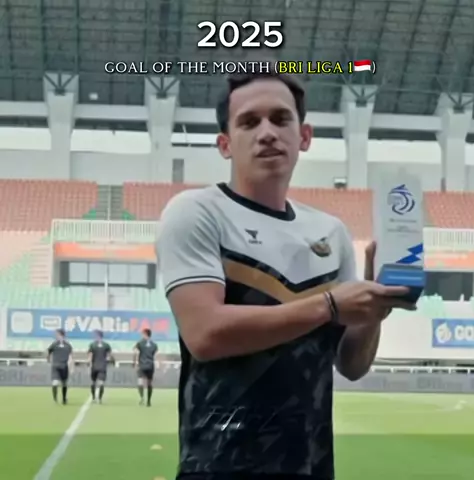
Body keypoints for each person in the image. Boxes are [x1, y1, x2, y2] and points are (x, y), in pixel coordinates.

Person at [156, 70, 417, 480]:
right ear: (225, 144)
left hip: (313, 466)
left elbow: (352, 364)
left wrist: (374, 310)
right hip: (218, 466)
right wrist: (329, 305)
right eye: (249, 122)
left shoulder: (330, 232)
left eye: (280, 119)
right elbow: (204, 334)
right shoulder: (197, 212)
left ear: (304, 136)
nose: (267, 133)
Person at [47, 329, 73, 405]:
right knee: (55, 383)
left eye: (57, 334)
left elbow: (71, 357)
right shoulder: (54, 344)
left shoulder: (68, 345)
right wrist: (48, 359)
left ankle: (64, 398)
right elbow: (48, 352)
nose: (56, 336)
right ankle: (55, 399)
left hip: (64, 366)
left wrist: (71, 366)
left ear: (62, 335)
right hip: (56, 366)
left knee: (64, 383)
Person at [133, 328, 158, 407]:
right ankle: (149, 401)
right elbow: (155, 355)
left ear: (145, 334)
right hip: (150, 366)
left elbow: (135, 352)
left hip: (142, 365)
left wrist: (135, 362)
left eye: (142, 334)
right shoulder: (154, 345)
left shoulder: (140, 343)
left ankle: (142, 397)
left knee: (140, 382)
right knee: (149, 383)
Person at [87, 330, 112, 404]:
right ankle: (94, 397)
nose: (95, 337)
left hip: (102, 367)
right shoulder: (92, 345)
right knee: (93, 383)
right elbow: (90, 356)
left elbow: (109, 355)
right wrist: (89, 365)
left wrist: (108, 359)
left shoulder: (106, 345)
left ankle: (99, 398)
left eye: (96, 335)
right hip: (95, 367)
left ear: (99, 336)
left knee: (101, 383)